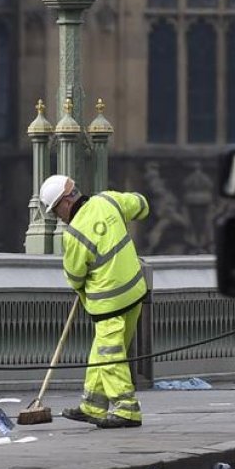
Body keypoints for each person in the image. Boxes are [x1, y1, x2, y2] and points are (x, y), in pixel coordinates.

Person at [38, 174, 150, 429]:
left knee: (110, 356)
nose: (58, 217)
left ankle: (127, 409)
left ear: (66, 202)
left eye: (56, 211)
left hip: (108, 304)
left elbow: (75, 277)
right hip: (134, 293)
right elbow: (141, 205)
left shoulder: (74, 234)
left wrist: (82, 285)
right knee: (103, 350)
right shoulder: (108, 200)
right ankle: (93, 405)